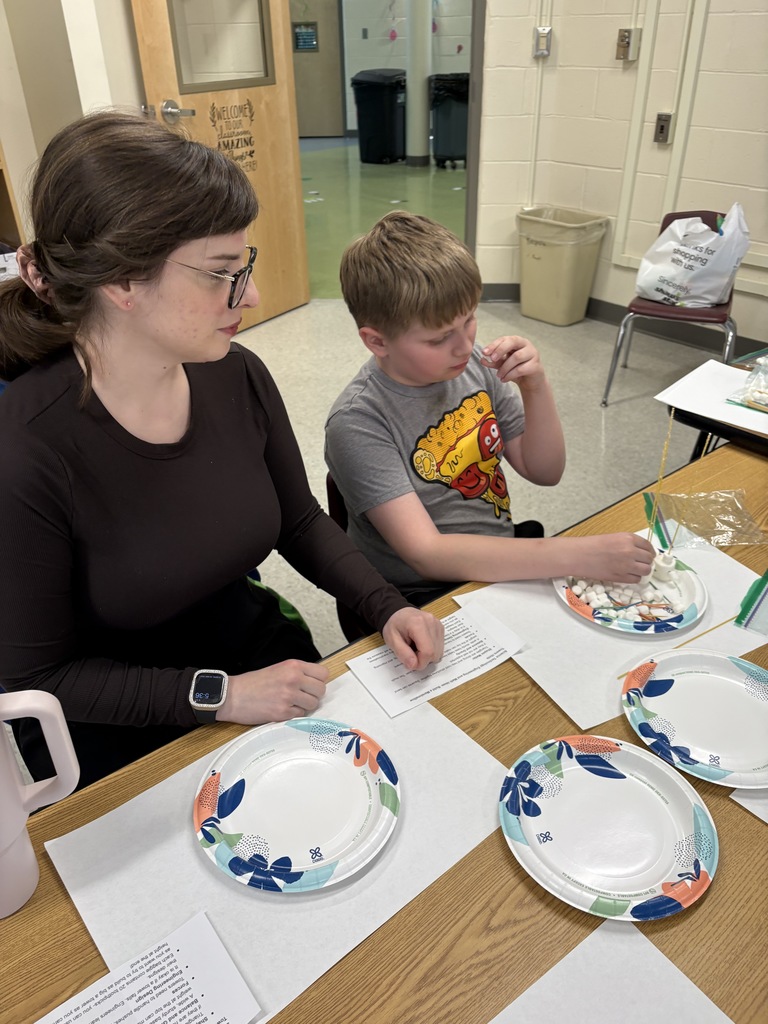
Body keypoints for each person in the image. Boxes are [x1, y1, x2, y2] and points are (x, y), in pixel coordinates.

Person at [0, 112, 443, 789]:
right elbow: (37, 678)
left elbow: (298, 521)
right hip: (119, 721)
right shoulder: (30, 451)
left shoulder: (235, 373)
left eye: (247, 266)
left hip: (258, 658)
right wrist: (223, 696)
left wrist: (388, 606)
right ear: (120, 281)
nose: (253, 296)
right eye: (221, 272)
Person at [325, 210, 655, 607]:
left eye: (470, 320)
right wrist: (579, 554)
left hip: (496, 559)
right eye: (439, 338)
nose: (465, 345)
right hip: (421, 592)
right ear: (377, 342)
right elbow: (427, 554)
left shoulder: (475, 366)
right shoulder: (358, 422)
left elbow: (545, 471)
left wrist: (536, 387)